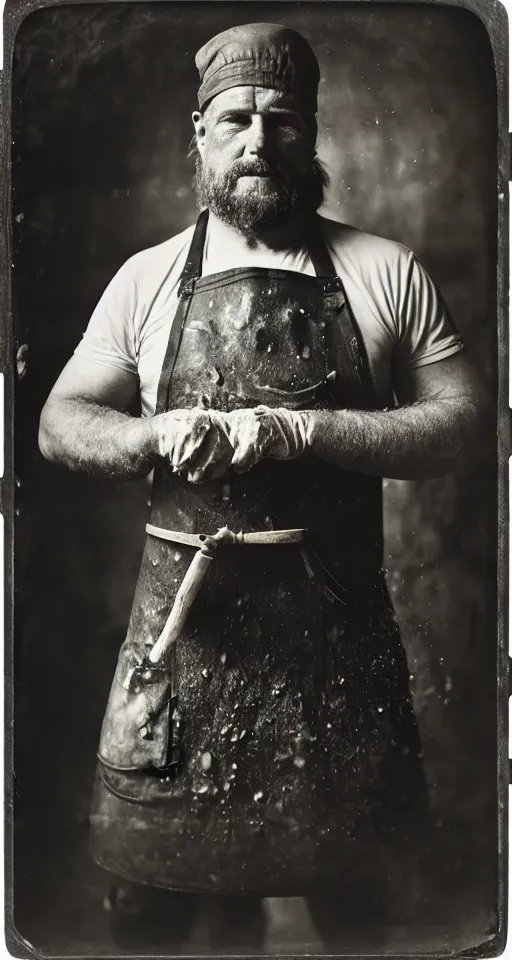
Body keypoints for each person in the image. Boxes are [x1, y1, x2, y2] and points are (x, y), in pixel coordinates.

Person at [38, 21, 485, 951]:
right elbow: (59, 422)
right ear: (198, 133)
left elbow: (467, 425)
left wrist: (300, 429)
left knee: (365, 920)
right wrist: (154, 433)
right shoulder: (147, 280)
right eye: (236, 118)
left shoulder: (381, 271)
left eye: (284, 122)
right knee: (161, 923)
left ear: (311, 135)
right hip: (187, 643)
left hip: (338, 658)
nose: (259, 142)